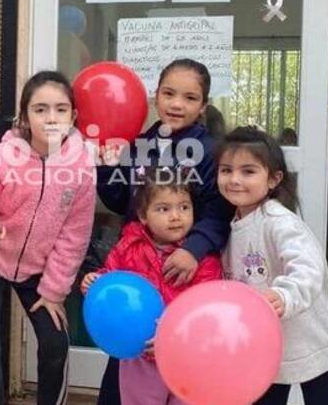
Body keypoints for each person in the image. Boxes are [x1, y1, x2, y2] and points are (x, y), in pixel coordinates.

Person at [94, 58, 234, 405]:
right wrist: (106, 167)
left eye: (189, 98)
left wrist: (194, 249)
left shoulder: (210, 152)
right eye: (168, 93)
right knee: (127, 365)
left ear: (203, 105)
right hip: (138, 265)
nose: (176, 104)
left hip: (184, 270)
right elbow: (120, 201)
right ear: (155, 95)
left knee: (178, 366)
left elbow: (219, 210)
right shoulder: (139, 144)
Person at [0, 71, 96, 405]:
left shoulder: (82, 166)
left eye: (60, 109)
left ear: (74, 116)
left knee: (55, 344)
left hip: (40, 268)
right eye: (40, 109)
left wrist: (54, 291)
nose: (51, 118)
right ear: (24, 116)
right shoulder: (1, 157)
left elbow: (75, 234)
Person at [217, 127, 328, 405]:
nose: (234, 180)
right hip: (265, 350)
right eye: (226, 170)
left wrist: (284, 295)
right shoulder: (230, 226)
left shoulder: (279, 222)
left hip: (313, 344)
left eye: (248, 171)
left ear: (274, 179)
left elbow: (308, 269)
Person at [81, 166, 222, 405]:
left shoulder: (203, 260)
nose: (176, 216)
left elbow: (206, 310)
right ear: (144, 215)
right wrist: (96, 282)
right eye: (163, 209)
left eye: (184, 207)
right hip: (140, 357)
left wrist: (173, 339)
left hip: (185, 357)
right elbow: (112, 281)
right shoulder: (129, 246)